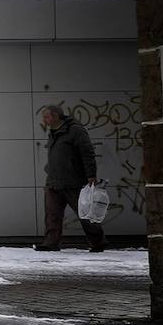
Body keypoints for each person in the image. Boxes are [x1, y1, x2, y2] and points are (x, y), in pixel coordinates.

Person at [35, 104, 106, 253]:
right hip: (54, 182)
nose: (44, 120)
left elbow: (87, 153)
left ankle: (98, 242)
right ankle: (50, 243)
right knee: (52, 215)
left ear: (55, 116)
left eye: (46, 117)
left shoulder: (75, 131)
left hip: (73, 181)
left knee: (85, 214)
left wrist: (91, 175)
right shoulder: (54, 132)